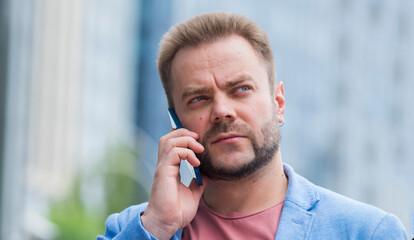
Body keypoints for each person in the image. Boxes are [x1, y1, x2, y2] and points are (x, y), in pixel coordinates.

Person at [97, 12, 408, 240]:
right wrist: (157, 227)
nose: (222, 111)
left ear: (279, 103)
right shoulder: (135, 227)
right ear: (175, 122)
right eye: (199, 99)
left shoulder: (367, 232)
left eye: (241, 89)